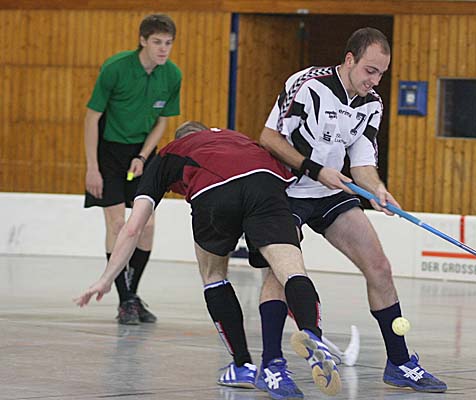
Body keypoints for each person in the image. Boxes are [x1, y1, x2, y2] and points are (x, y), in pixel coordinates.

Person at [75, 121, 341, 398]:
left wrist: (106, 279)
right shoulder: (239, 138)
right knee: (291, 270)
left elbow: (133, 228)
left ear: (181, 138)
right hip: (266, 183)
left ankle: (242, 365)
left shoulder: (170, 152)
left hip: (213, 191)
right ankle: (307, 338)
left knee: (213, 275)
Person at [258, 27, 448, 393]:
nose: (374, 80)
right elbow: (269, 138)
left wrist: (378, 190)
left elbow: (362, 165)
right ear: (349, 60)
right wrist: (315, 170)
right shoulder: (307, 84)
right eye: (369, 70)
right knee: (281, 274)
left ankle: (399, 362)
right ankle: (271, 366)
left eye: (381, 73)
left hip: (331, 192)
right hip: (285, 190)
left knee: (380, 267)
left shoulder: (371, 104)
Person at [83, 14, 182, 325]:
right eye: (157, 42)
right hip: (109, 152)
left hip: (143, 152)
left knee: (146, 226)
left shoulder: (172, 75)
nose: (163, 49)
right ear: (143, 41)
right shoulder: (115, 68)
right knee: (116, 225)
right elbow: (91, 118)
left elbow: (162, 122)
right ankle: (125, 300)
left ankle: (132, 296)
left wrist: (142, 156)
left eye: (168, 43)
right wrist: (92, 168)